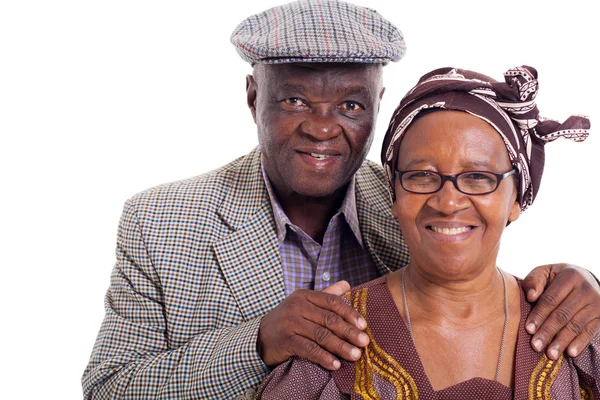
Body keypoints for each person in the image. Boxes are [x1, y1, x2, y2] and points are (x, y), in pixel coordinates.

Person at [82, 1, 600, 399]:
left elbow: (475, 271)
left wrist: (584, 283)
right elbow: (109, 387)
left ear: (377, 104)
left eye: (350, 103)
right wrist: (258, 345)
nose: (323, 127)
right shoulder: (161, 221)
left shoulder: (411, 196)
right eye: (294, 100)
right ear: (252, 97)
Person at [256, 65, 598, 399]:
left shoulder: (578, 329)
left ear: (516, 199)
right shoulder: (331, 344)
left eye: (478, 177)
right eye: (421, 175)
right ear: (395, 193)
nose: (448, 202)